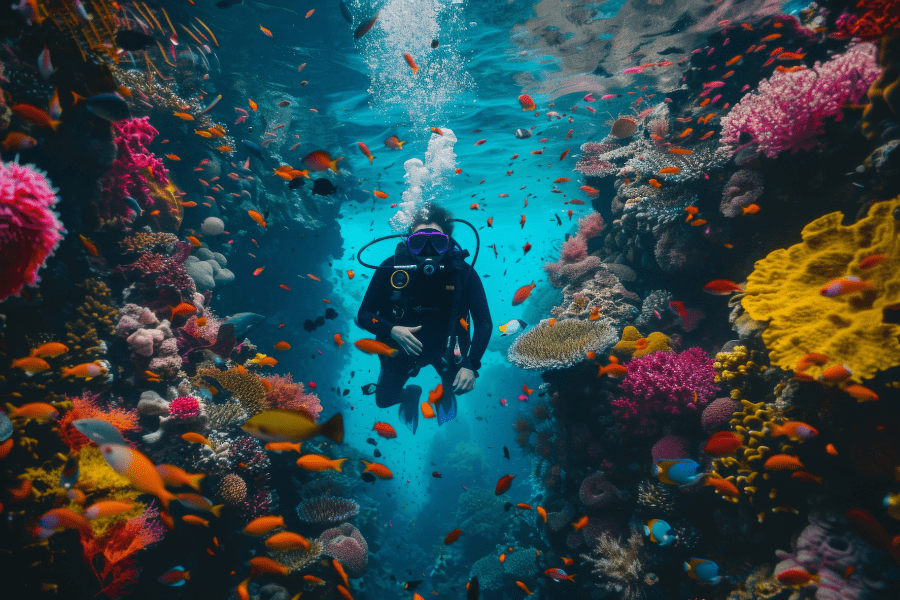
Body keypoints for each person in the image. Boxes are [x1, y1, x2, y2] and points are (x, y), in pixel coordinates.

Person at [357, 203, 492, 433]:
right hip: (402, 349)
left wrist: (471, 365)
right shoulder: (391, 268)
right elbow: (363, 315)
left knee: (453, 391)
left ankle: (446, 397)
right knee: (383, 400)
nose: (428, 251)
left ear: (447, 242)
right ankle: (412, 395)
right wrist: (391, 330)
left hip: (450, 349)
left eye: (437, 243)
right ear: (409, 243)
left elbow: (484, 323)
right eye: (419, 243)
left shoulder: (463, 273)